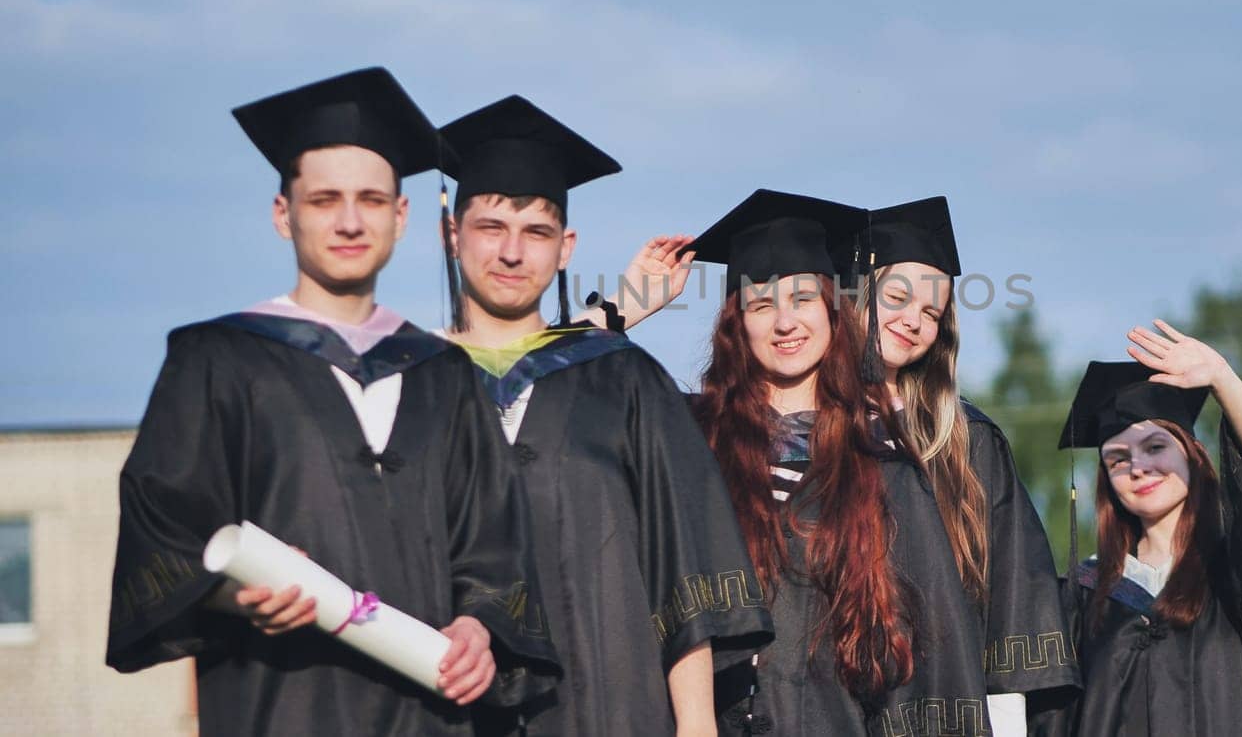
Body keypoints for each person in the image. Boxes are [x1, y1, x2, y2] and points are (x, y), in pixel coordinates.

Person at [105, 68, 559, 737]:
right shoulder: (217, 360)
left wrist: (478, 626)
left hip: (430, 714)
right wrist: (236, 596)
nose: (350, 221)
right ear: (283, 214)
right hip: (281, 704)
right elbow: (161, 532)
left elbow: (494, 546)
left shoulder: (444, 374)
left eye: (372, 200)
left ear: (400, 217)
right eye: (324, 200)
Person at [438, 95, 772, 736]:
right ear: (451, 235)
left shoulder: (624, 382)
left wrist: (698, 727)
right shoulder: (401, 385)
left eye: (536, 232)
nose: (512, 252)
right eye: (490, 228)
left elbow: (684, 567)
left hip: (607, 704)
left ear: (566, 248)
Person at [689, 189, 997, 737]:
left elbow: (934, 664)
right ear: (738, 325)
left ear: (837, 314)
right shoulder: (691, 444)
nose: (785, 322)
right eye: (761, 304)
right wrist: (619, 311)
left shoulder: (884, 463)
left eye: (803, 299)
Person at [846, 197, 1076, 732]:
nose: (913, 321)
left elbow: (1018, 591)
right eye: (897, 297)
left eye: (931, 313)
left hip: (941, 707)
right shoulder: (805, 427)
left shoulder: (967, 442)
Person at [1057, 323, 1242, 737]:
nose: (1137, 467)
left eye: (1155, 447)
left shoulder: (1238, 578)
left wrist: (1223, 378)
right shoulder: (1084, 594)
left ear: (1192, 456)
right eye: (1117, 459)